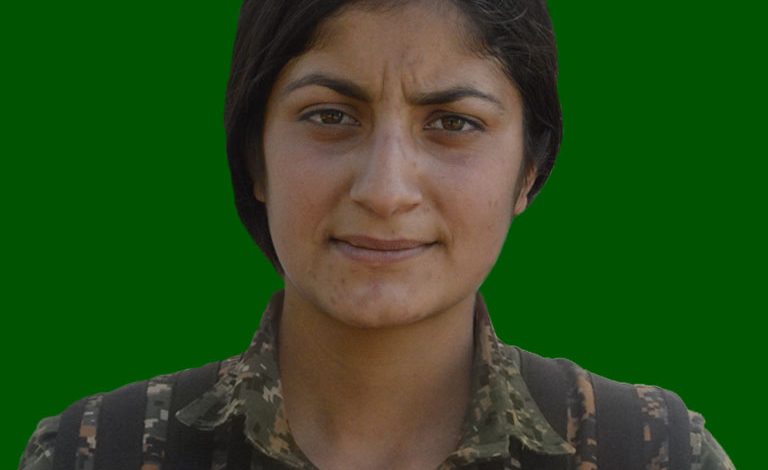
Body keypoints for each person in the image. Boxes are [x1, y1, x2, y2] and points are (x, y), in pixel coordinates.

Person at [19, 0, 735, 469]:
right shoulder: (96, 454)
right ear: (254, 157)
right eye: (330, 116)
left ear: (529, 171)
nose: (386, 190)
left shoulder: (649, 451)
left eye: (452, 123)